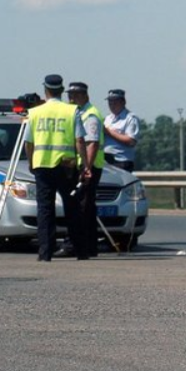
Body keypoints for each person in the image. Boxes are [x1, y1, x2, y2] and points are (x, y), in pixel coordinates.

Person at [24, 74, 89, 261]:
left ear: (45, 90)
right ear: (61, 90)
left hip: (42, 165)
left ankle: (45, 253)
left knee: (45, 209)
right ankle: (80, 250)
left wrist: (31, 162)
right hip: (66, 166)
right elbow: (79, 140)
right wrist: (84, 165)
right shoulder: (72, 111)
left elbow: (28, 143)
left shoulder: (34, 113)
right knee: (72, 207)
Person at [64, 81, 105, 257]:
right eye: (69, 95)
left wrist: (86, 168)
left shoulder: (91, 115)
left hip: (88, 166)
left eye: (75, 95)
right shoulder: (78, 112)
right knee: (85, 207)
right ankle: (88, 246)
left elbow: (92, 143)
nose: (71, 98)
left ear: (85, 96)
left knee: (83, 207)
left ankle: (81, 245)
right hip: (83, 165)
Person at [103, 88, 140, 172]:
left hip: (121, 161)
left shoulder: (130, 118)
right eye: (110, 102)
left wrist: (108, 132)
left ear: (123, 102)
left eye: (115, 102)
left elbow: (131, 141)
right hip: (106, 160)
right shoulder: (108, 118)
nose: (112, 105)